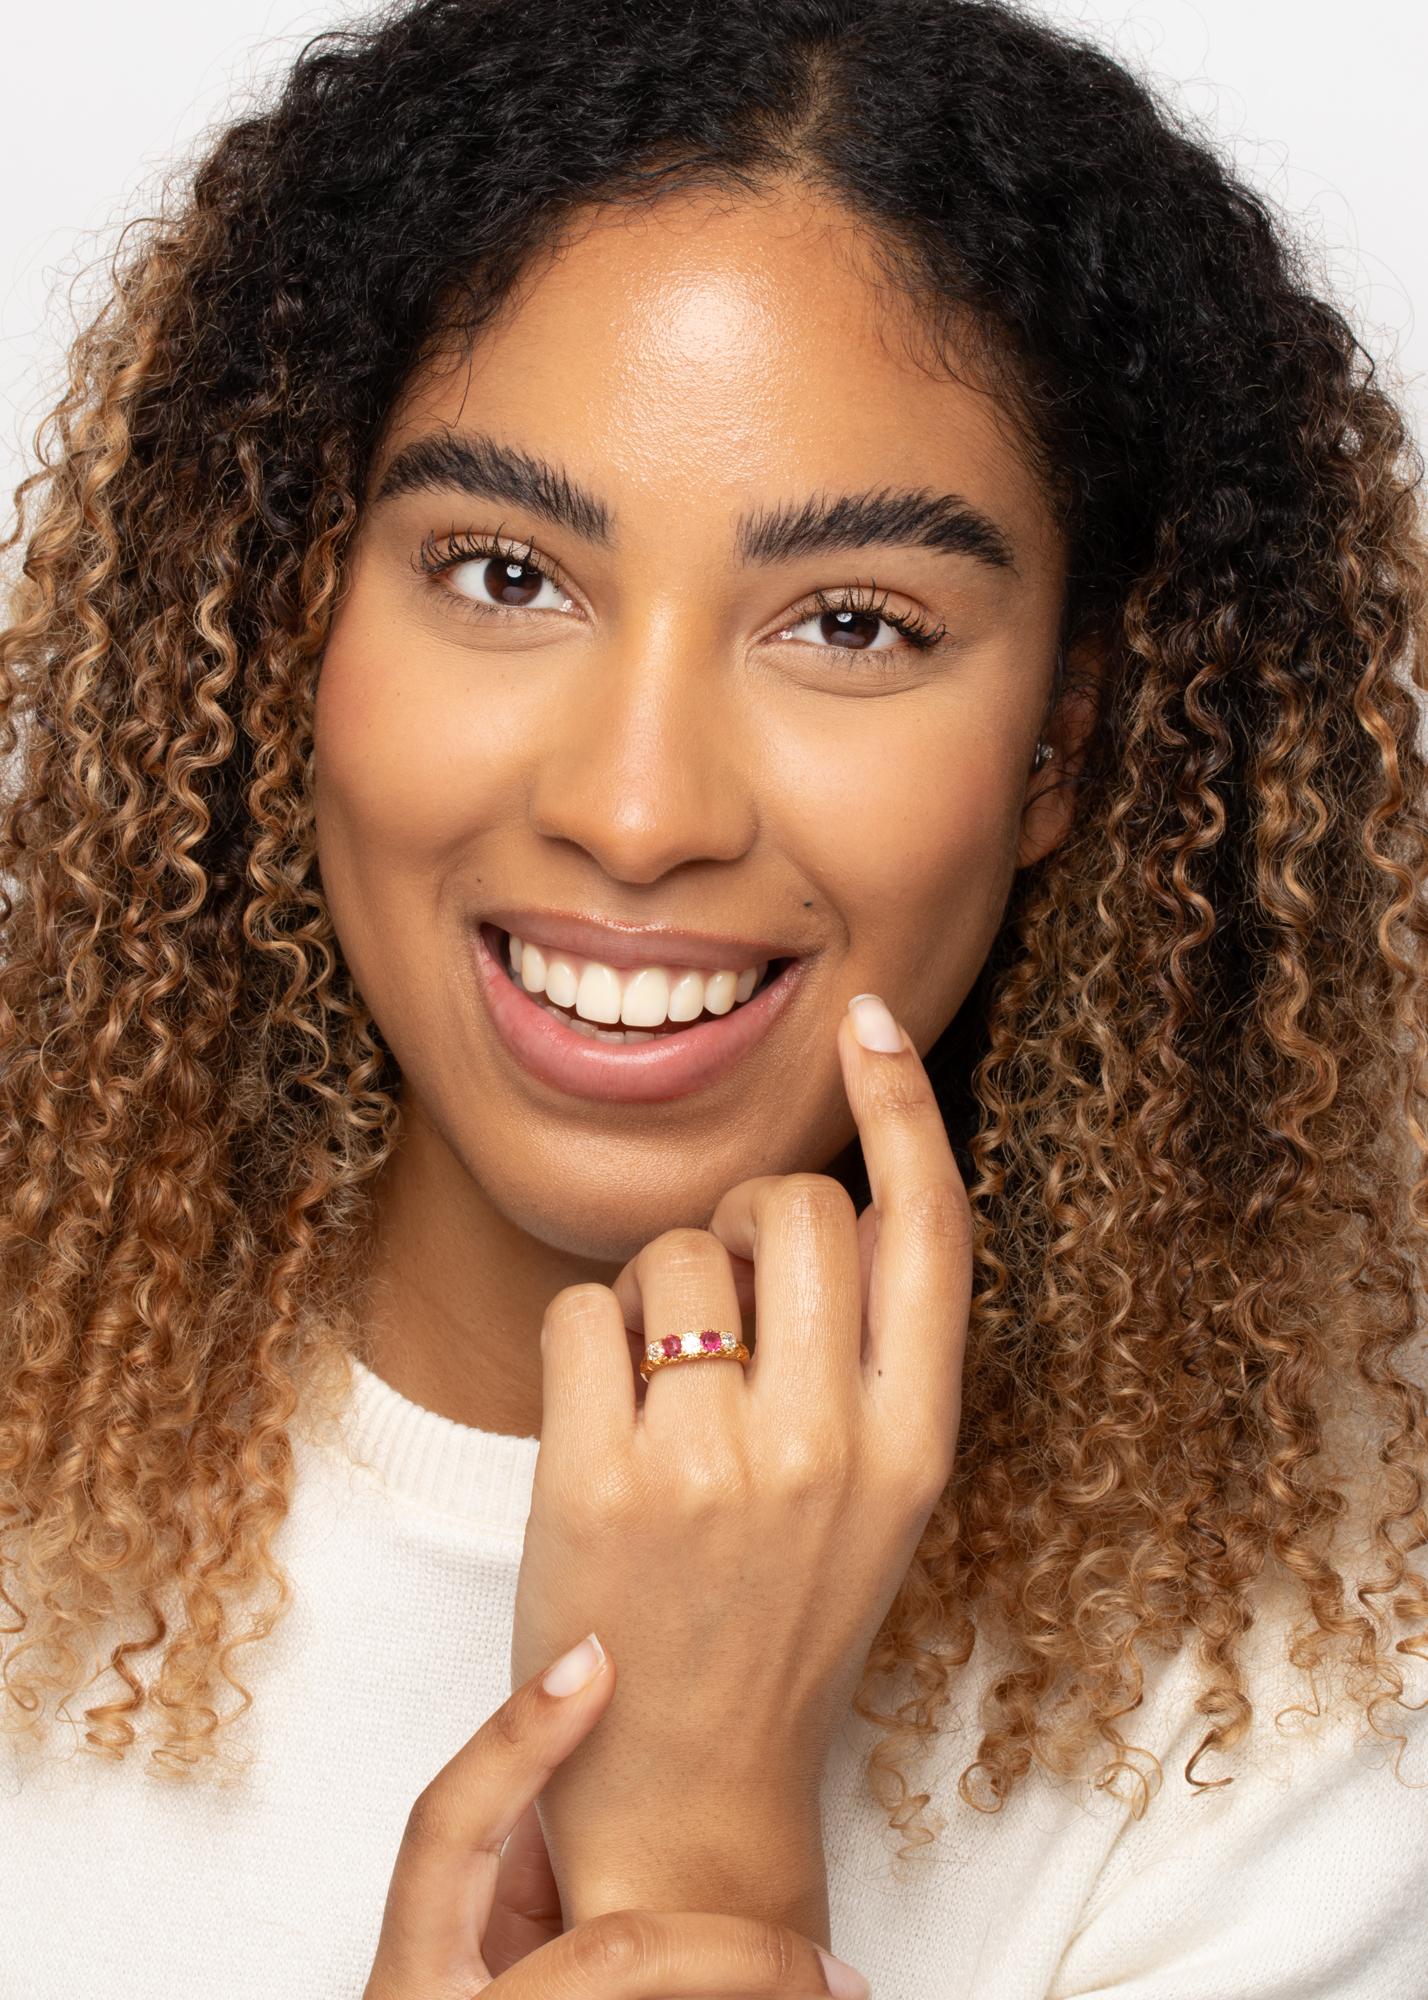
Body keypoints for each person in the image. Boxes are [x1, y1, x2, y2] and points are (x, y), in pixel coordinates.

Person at [2, 0, 1426, 1993]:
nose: (639, 806)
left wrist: (703, 1872)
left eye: (853, 623)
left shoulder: (1284, 1738)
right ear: (286, 609)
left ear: (1065, 748)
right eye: (504, 574)